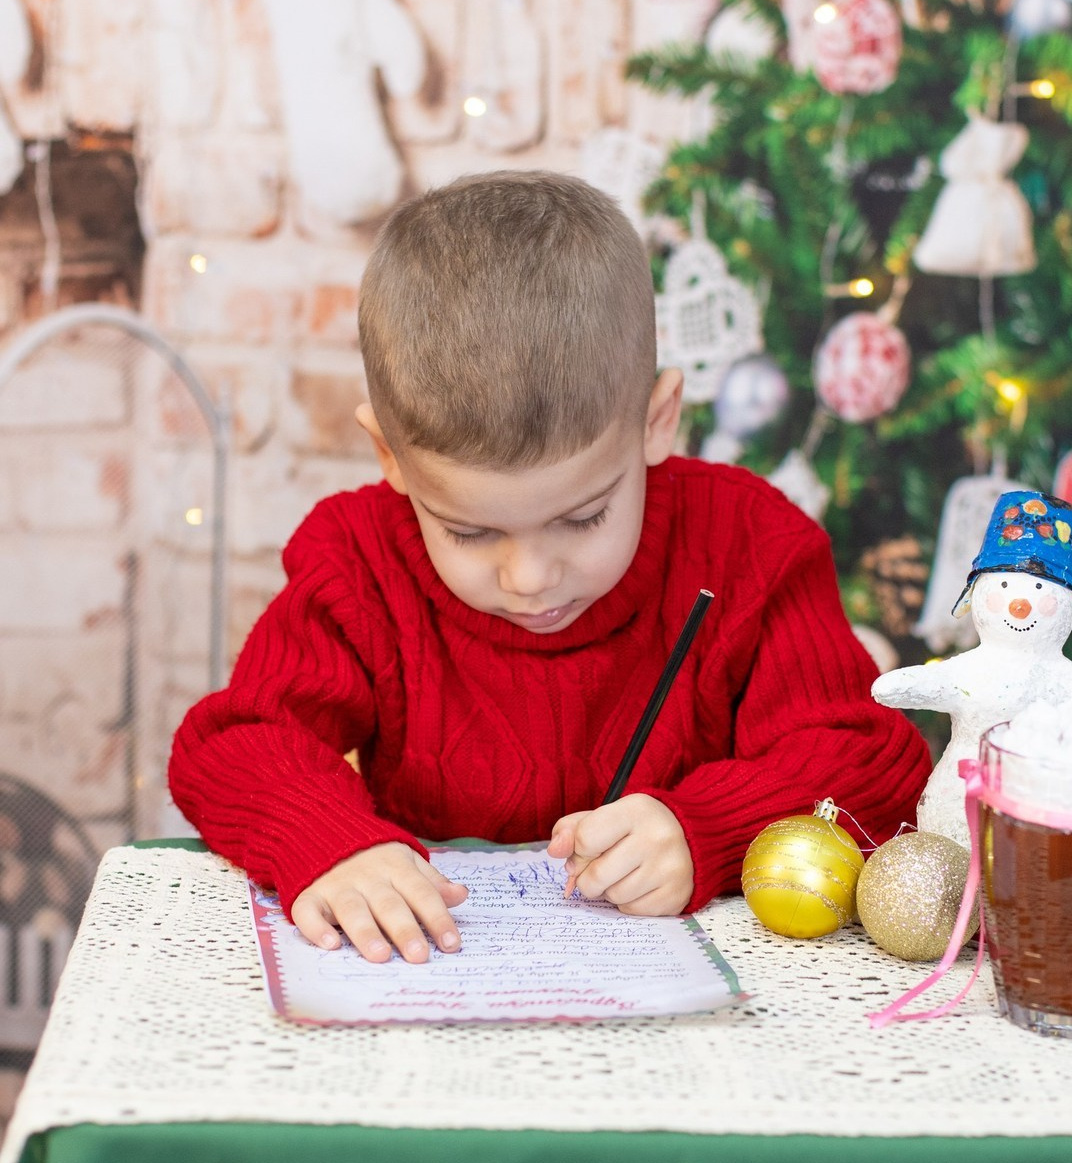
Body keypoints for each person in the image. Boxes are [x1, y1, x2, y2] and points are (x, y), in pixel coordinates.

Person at [169, 171, 932, 965]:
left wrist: (703, 826)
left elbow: (870, 760)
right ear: (390, 456)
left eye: (583, 517)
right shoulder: (359, 557)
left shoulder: (749, 543)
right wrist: (331, 844)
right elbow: (234, 743)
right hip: (440, 999)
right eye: (469, 531)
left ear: (657, 420)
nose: (530, 577)